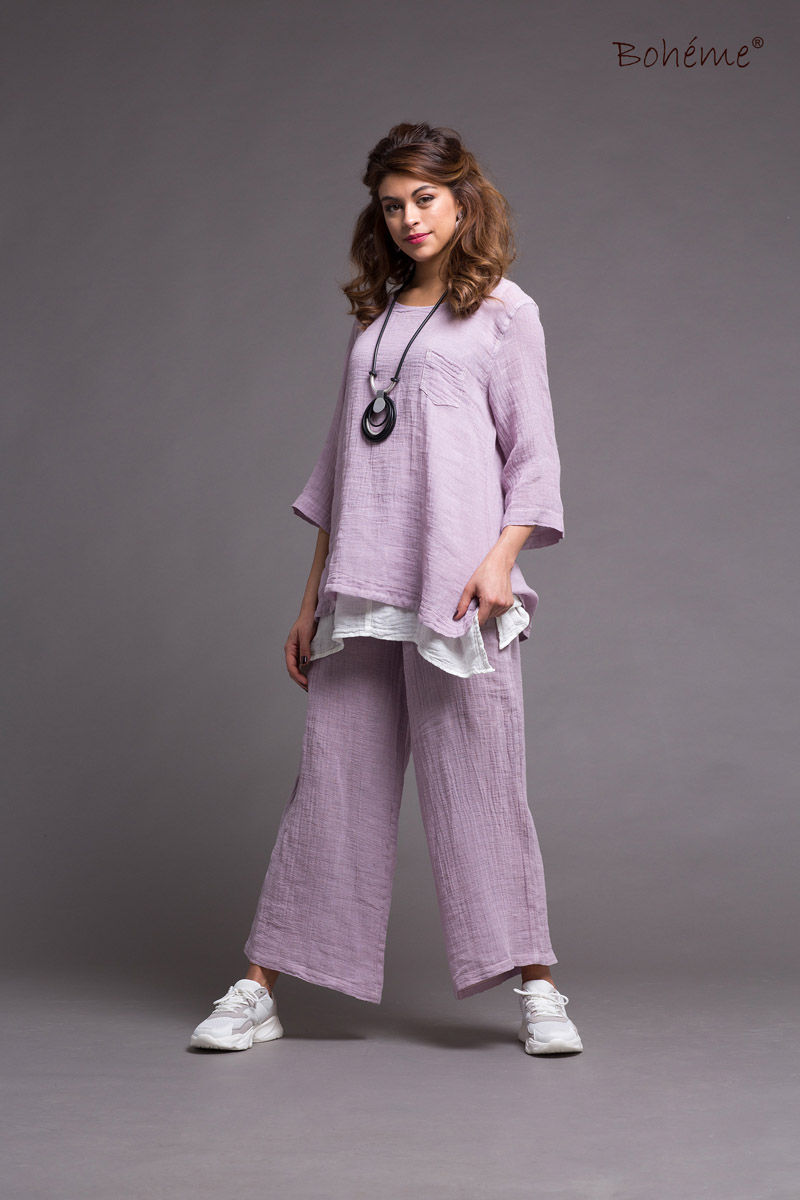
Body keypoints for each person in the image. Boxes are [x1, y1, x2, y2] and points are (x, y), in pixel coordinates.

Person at [189, 122, 583, 1057]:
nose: (409, 219)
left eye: (425, 199)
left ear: (463, 199)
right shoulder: (375, 327)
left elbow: (534, 457)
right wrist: (310, 598)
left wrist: (500, 558)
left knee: (484, 790)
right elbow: (342, 474)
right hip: (362, 585)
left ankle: (539, 989)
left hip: (459, 590)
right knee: (330, 789)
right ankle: (259, 991)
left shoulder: (506, 314)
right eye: (393, 204)